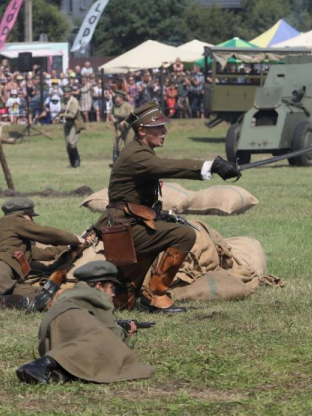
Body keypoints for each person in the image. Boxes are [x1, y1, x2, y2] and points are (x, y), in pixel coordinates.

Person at [95, 101, 240, 314]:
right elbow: (167, 167)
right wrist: (211, 166)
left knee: (124, 300)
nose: (165, 131)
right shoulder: (136, 155)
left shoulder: (141, 150)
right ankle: (156, 295)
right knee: (184, 235)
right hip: (123, 227)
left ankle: (141, 292)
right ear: (142, 130)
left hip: (132, 222)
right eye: (159, 128)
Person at [16, 261, 154, 385]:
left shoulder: (72, 293)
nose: (113, 294)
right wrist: (126, 332)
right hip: (70, 319)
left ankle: (62, 371)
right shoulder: (97, 296)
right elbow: (112, 336)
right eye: (111, 288)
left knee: (88, 344)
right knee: (110, 347)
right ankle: (39, 365)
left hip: (48, 339)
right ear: (99, 286)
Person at [62, 85, 84, 168]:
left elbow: (72, 114)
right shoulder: (64, 100)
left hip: (75, 123)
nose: (65, 93)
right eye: (64, 92)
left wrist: (63, 115)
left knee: (72, 142)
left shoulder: (74, 101)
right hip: (67, 123)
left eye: (67, 92)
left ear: (71, 92)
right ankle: (72, 163)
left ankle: (77, 160)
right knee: (68, 144)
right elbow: (62, 108)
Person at [111, 89, 133, 164]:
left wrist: (124, 122)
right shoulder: (114, 106)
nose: (115, 98)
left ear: (121, 98)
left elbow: (132, 116)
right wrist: (113, 118)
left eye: (116, 97)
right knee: (117, 143)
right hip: (118, 126)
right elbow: (111, 113)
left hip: (129, 126)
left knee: (128, 144)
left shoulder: (128, 106)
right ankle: (118, 162)